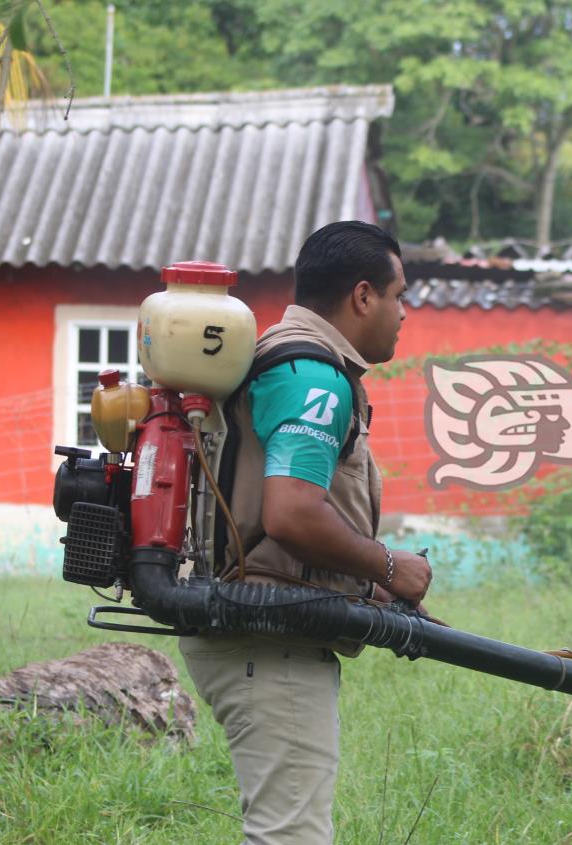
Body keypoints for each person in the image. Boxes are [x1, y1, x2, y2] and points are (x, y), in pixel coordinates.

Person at [179, 220, 433, 845]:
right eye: (400, 297)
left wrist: (368, 588)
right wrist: (389, 566)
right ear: (364, 295)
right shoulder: (314, 378)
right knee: (290, 837)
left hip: (257, 625)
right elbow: (290, 513)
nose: (405, 314)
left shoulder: (282, 355)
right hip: (268, 641)